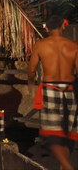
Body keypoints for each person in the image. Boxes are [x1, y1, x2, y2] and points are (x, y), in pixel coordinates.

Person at [28, 15, 78, 170]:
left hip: (50, 89)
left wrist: (31, 82)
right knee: (67, 134)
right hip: (69, 90)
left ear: (46, 28)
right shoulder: (74, 46)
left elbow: (31, 70)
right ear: (63, 26)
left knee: (50, 135)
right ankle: (64, 167)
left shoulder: (40, 45)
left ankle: (67, 167)